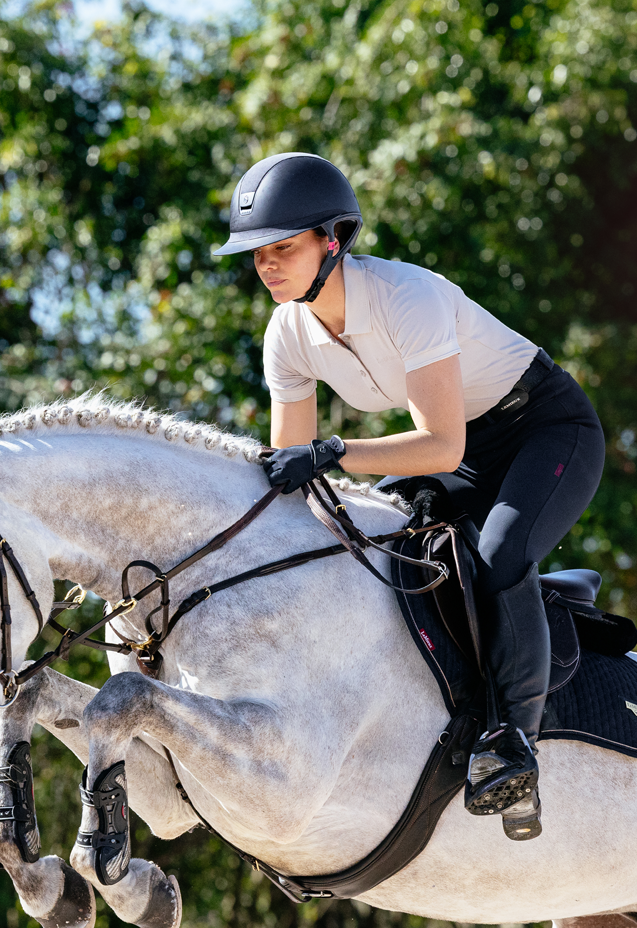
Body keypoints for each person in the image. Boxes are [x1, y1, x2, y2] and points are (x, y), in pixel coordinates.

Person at [213, 152, 605, 837]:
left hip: (544, 429)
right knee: (379, 531)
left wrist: (333, 453)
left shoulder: (408, 297)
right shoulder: (286, 335)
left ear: (332, 241)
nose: (266, 266)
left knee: (503, 550)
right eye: (256, 255)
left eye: (282, 249)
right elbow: (293, 477)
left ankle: (514, 744)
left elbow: (441, 447)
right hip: (461, 447)